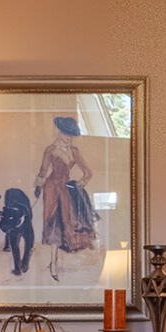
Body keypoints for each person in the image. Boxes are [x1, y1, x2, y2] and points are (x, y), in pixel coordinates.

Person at [34, 115, 100, 282]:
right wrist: (37, 186)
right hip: (51, 189)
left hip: (66, 189)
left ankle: (58, 262)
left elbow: (88, 172)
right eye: (66, 134)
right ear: (60, 132)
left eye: (71, 135)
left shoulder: (74, 151)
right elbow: (43, 171)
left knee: (67, 221)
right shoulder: (50, 150)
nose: (69, 138)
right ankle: (53, 264)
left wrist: (81, 183)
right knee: (53, 222)